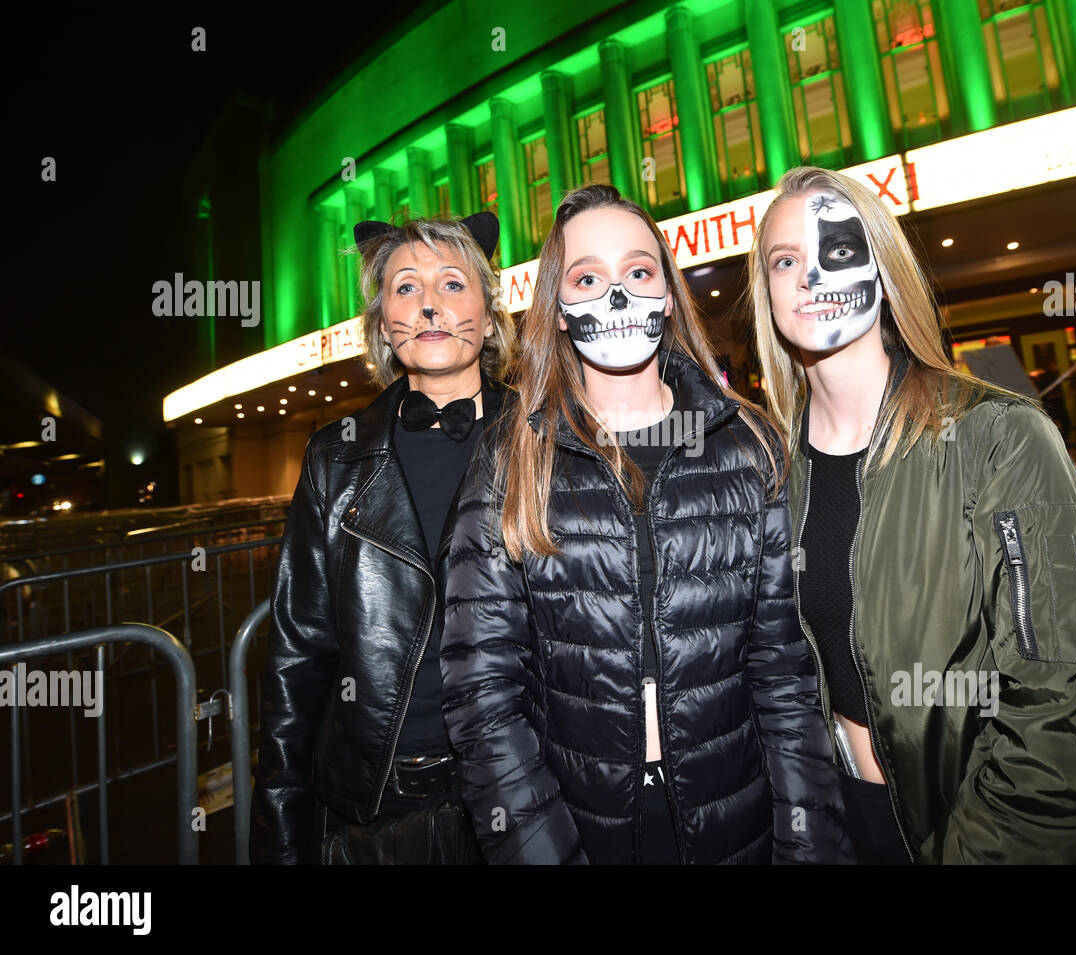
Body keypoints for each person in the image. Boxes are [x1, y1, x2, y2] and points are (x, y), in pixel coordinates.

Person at [439, 183, 848, 864]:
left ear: (665, 290)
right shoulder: (512, 456)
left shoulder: (747, 443)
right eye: (588, 278)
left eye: (637, 271)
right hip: (581, 833)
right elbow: (482, 698)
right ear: (560, 311)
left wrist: (807, 846)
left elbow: (784, 677)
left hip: (737, 829)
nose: (617, 295)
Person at [748, 166, 1076, 863]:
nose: (809, 276)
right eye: (785, 260)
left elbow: (1067, 716)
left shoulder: (999, 436)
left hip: (972, 833)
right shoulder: (771, 469)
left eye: (837, 252)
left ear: (884, 270)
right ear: (766, 289)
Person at [250, 212, 515, 864]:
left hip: (521, 795)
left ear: (487, 312)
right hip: (376, 810)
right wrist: (281, 834)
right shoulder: (333, 459)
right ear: (381, 324)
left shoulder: (542, 441)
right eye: (405, 287)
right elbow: (296, 660)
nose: (429, 303)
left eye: (453, 284)